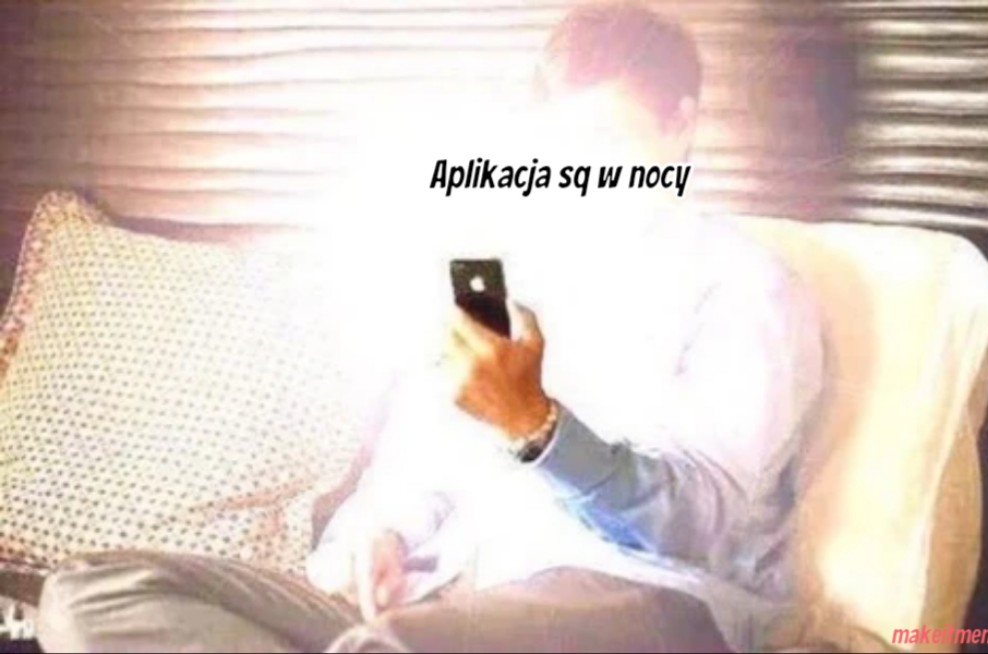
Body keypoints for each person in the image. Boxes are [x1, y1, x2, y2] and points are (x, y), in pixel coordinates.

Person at [36, 3, 825, 652]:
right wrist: (379, 533)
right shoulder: (508, 272)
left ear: (680, 127)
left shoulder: (748, 288)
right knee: (93, 594)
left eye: (609, 145)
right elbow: (418, 462)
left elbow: (698, 529)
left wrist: (539, 430)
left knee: (389, 649)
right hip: (445, 592)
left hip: (641, 602)